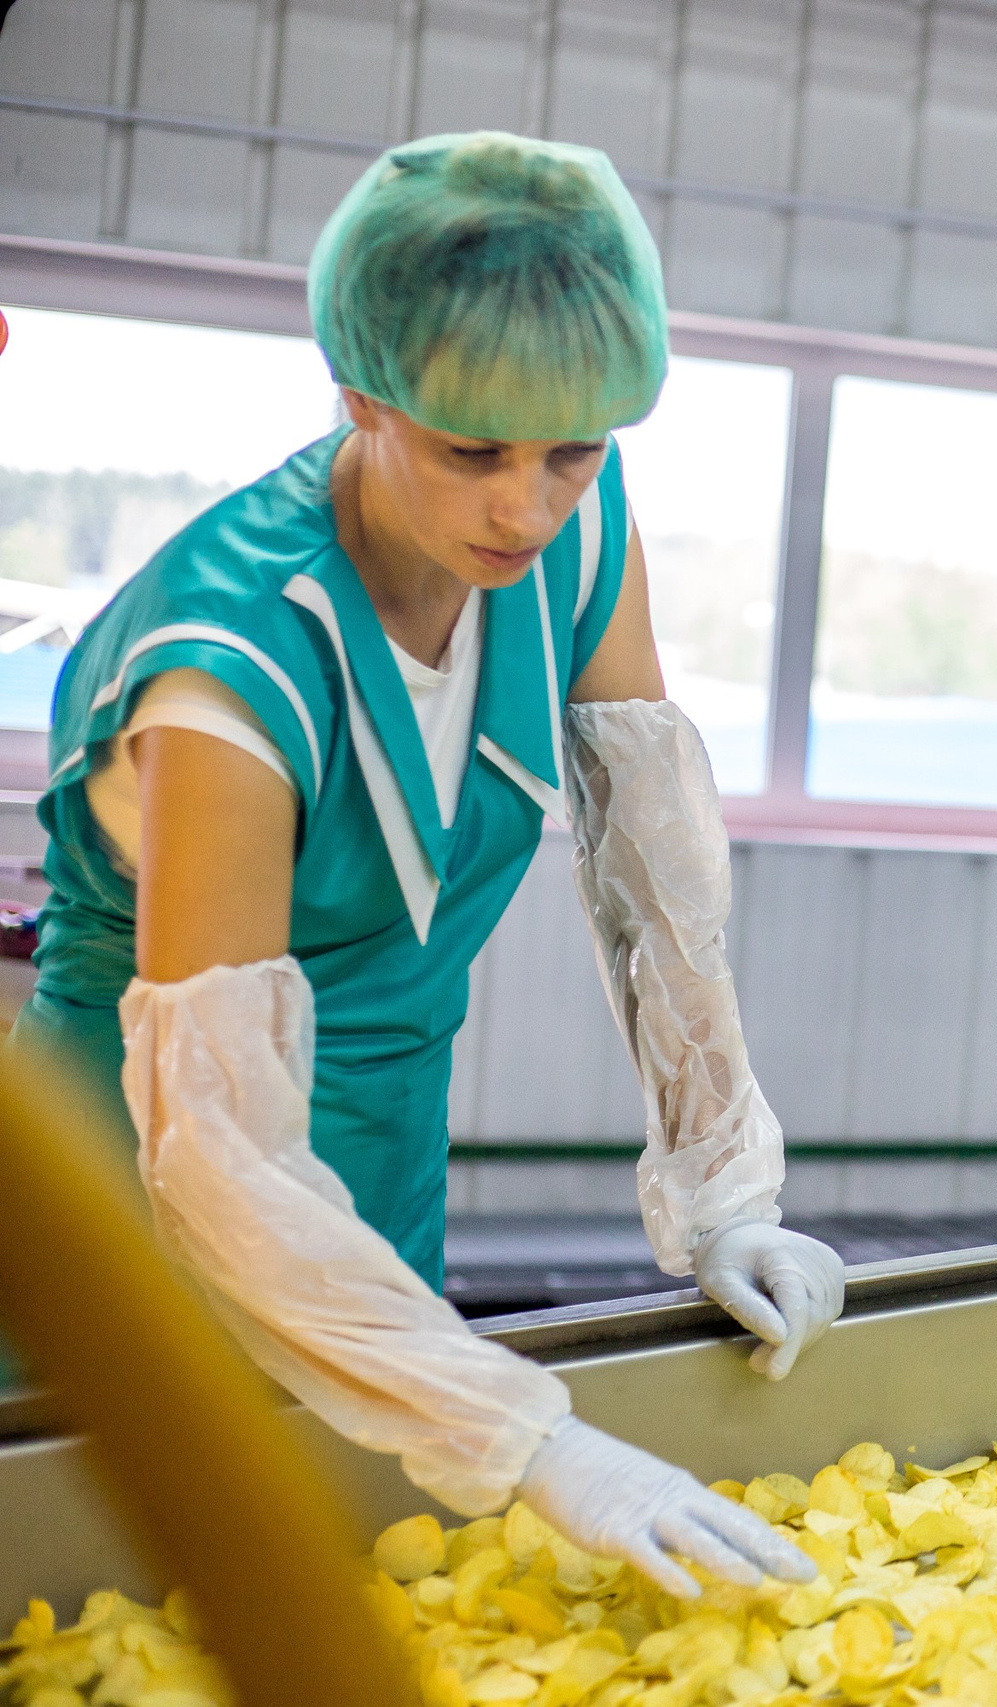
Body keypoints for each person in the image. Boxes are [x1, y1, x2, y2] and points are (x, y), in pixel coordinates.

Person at [5, 132, 844, 1597]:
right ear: (363, 396)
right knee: (114, 1606)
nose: (528, 505)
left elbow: (654, 879)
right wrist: (536, 1441)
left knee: (365, 1585)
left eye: (572, 452)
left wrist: (725, 1187)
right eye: (474, 452)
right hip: (138, 1196)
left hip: (380, 1164)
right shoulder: (232, 673)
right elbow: (212, 1145)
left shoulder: (576, 542)